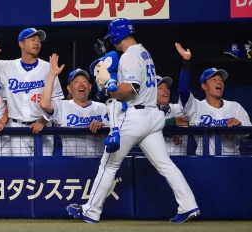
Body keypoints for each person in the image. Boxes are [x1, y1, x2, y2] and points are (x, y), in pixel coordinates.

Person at [66, 18, 199, 223]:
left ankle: (91, 211)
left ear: (118, 35)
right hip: (153, 117)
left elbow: (130, 87)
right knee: (166, 165)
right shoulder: (144, 52)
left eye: (113, 38)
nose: (113, 42)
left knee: (108, 165)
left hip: (135, 116)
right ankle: (189, 205)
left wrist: (107, 91)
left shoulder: (129, 56)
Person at [0, 28, 64, 156]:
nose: (37, 43)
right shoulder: (8, 66)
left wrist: (43, 121)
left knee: (44, 170)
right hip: (17, 128)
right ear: (21, 44)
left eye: (39, 40)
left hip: (43, 126)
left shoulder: (48, 68)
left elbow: (56, 102)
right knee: (22, 170)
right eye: (32, 39)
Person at [175, 43, 252, 155]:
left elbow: (251, 135)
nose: (219, 82)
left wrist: (241, 128)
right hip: (204, 163)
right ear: (204, 86)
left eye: (221, 79)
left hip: (232, 162)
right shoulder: (196, 106)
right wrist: (186, 61)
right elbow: (183, 91)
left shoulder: (235, 107)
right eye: (214, 79)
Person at [40, 54, 108, 156]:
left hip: (97, 163)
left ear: (89, 87)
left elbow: (114, 131)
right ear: (69, 89)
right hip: (73, 164)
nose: (81, 84)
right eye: (76, 82)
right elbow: (44, 104)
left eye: (84, 81)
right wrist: (52, 75)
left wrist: (103, 126)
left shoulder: (102, 108)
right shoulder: (63, 106)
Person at [156, 76, 189, 156]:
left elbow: (186, 120)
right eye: (160, 88)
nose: (165, 90)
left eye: (167, 87)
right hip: (158, 162)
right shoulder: (148, 111)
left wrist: (160, 124)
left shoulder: (176, 108)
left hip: (181, 159)